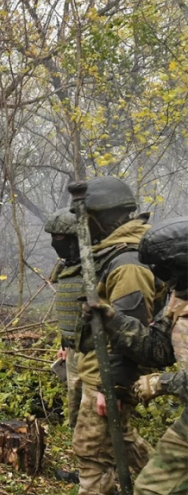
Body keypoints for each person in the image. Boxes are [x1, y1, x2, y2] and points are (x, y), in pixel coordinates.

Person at [70, 177, 167, 495]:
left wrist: (110, 387)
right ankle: (169, 480)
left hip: (109, 376)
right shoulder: (118, 254)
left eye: (88, 218)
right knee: (116, 439)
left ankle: (167, 482)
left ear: (104, 217)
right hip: (101, 372)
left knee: (92, 453)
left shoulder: (128, 264)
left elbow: (131, 335)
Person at [87, 216, 188, 495]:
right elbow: (159, 347)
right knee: (152, 488)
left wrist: (162, 383)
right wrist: (113, 320)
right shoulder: (180, 296)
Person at [44, 207, 83, 483]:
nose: (55, 241)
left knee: (96, 419)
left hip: (96, 353)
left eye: (60, 236)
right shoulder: (68, 265)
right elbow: (69, 309)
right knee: (77, 412)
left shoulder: (97, 265)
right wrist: (64, 343)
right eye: (53, 236)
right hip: (74, 349)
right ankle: (88, 471)